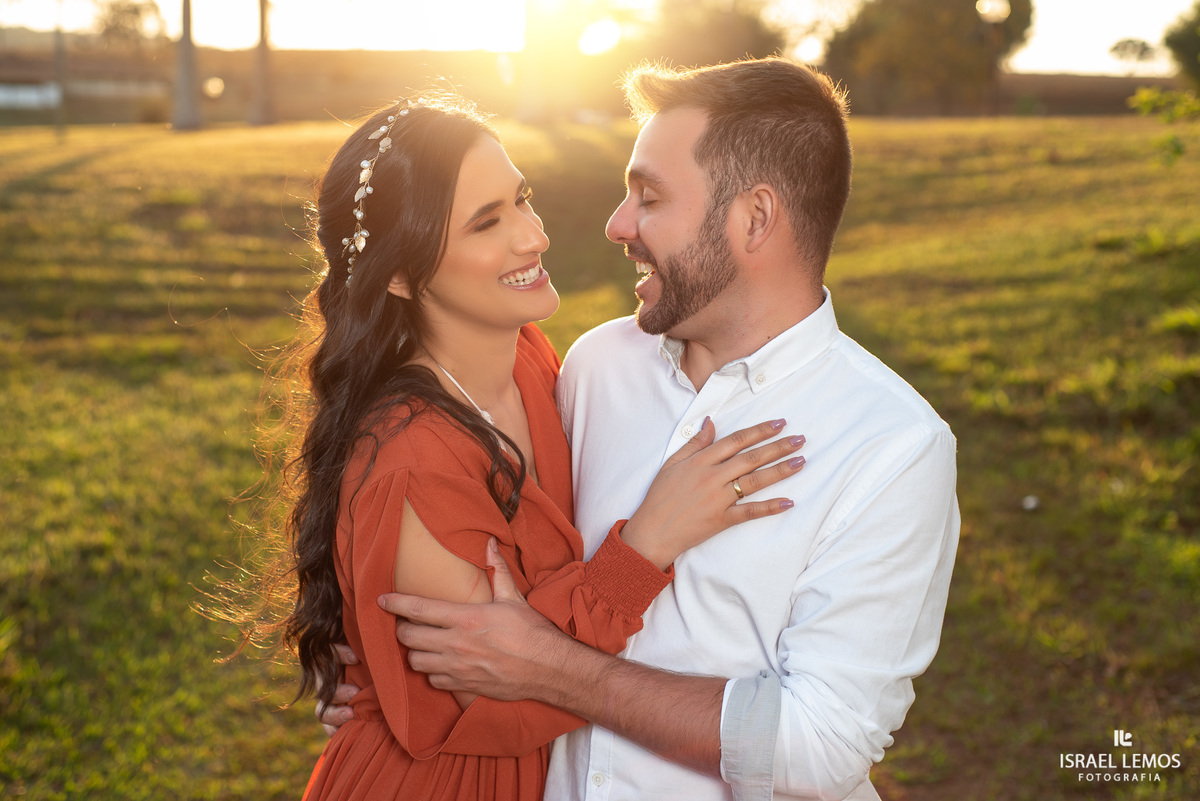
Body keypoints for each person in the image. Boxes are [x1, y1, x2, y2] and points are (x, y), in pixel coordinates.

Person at [325, 58, 961, 800]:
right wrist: (375, 669)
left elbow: (818, 746)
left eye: (649, 198)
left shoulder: (891, 446)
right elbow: (461, 539)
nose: (615, 225)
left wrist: (553, 667)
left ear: (755, 218)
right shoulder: (594, 366)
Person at [260, 91, 808, 801]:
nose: (533, 236)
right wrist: (645, 546)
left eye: (522, 199)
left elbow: (531, 651)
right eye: (488, 222)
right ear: (398, 273)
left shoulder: (531, 360)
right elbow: (492, 701)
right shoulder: (413, 461)